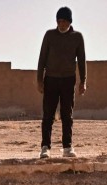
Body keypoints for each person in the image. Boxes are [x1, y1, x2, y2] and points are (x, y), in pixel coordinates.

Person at [36, 6, 87, 158]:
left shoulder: (77, 37)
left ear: (70, 21)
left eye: (65, 21)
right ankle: (45, 147)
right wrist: (39, 80)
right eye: (59, 20)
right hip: (50, 79)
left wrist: (83, 81)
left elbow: (82, 61)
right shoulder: (49, 35)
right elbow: (42, 59)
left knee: (67, 114)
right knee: (48, 115)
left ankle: (67, 147)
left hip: (68, 80)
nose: (62, 24)